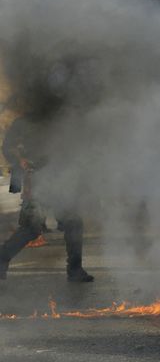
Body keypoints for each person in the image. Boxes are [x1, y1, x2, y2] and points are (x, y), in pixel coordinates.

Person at [0, 115, 93, 282]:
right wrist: (19, 160)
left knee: (73, 222)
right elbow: (8, 147)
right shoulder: (24, 122)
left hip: (60, 180)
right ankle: (1, 259)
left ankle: (75, 270)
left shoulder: (62, 118)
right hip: (37, 180)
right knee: (31, 228)